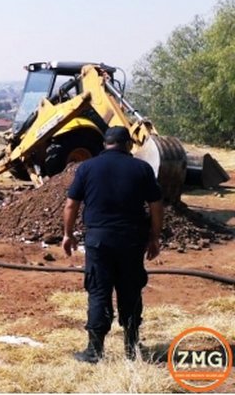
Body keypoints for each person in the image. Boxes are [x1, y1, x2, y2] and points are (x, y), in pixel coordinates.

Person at [62, 126, 164, 363]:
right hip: (131, 240)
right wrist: (154, 236)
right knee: (130, 290)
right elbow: (156, 205)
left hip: (99, 241)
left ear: (105, 144)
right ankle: (131, 348)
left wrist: (68, 234)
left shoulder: (86, 167)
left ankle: (94, 351)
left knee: (98, 291)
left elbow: (71, 205)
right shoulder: (142, 168)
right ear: (128, 144)